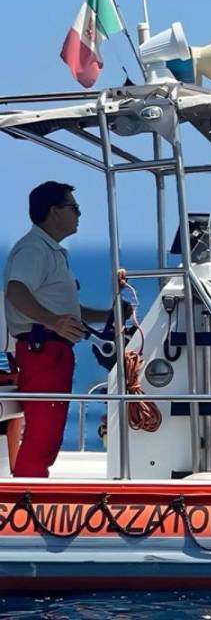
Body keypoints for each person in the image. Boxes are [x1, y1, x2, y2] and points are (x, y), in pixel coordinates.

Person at [3, 181, 116, 477]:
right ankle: (27, 498)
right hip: (42, 352)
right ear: (54, 211)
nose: (79, 214)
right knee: (42, 433)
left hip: (53, 352)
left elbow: (68, 311)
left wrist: (108, 315)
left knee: (50, 433)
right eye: (73, 208)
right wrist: (53, 322)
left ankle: (33, 490)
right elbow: (16, 291)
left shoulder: (50, 250)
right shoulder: (33, 250)